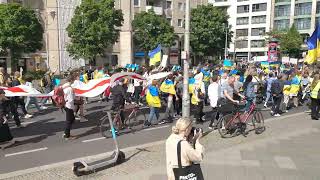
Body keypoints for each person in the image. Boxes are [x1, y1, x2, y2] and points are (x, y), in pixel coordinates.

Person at [62, 74, 77, 140]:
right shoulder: (70, 89)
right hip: (69, 105)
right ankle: (67, 135)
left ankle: (66, 133)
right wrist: (74, 108)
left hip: (64, 104)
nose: (74, 81)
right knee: (69, 121)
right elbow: (71, 99)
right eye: (73, 79)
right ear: (71, 80)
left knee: (72, 119)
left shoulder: (64, 85)